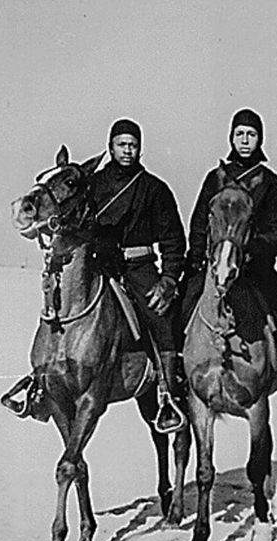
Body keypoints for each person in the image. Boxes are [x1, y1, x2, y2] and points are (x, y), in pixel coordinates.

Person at [181, 108, 277, 408]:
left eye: (251, 135)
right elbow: (198, 222)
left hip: (255, 269)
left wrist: (253, 249)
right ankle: (178, 372)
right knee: (185, 301)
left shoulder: (272, 184)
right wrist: (197, 259)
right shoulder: (214, 180)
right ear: (231, 137)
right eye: (240, 134)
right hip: (215, 267)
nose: (245, 140)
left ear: (260, 139)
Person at [90, 118, 188, 434]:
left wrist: (169, 280)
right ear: (110, 146)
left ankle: (168, 396)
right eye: (122, 144)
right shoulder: (93, 185)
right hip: (99, 266)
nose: (128, 150)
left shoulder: (153, 189)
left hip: (140, 268)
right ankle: (41, 383)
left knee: (161, 317)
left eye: (133, 145)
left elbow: (174, 239)